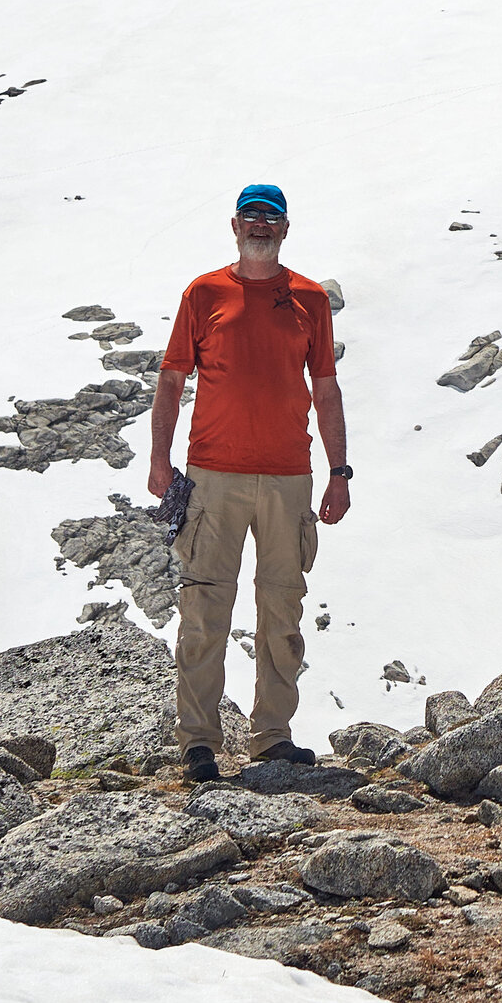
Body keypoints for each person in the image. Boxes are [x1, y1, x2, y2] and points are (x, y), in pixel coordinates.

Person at [148, 184, 351, 780]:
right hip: (214, 474)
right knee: (205, 605)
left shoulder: (309, 299)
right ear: (234, 226)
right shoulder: (204, 292)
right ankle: (199, 742)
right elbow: (170, 378)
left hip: (289, 474)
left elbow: (327, 389)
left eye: (272, 218)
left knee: (282, 609)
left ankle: (271, 736)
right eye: (252, 216)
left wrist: (338, 473)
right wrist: (161, 460)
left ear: (285, 229)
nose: (261, 225)